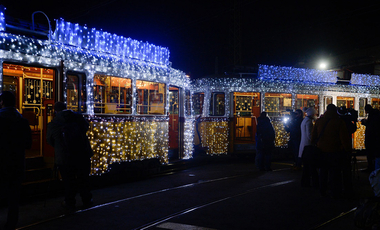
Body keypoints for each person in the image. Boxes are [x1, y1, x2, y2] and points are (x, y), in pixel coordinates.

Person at [47, 102, 93, 211]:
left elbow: (49, 140)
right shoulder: (78, 118)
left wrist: (60, 148)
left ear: (56, 111)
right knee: (83, 179)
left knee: (68, 181)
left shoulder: (54, 124)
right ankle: (86, 200)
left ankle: (70, 202)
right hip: (82, 154)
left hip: (65, 157)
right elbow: (86, 127)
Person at [0, 91, 32, 230]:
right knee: (14, 196)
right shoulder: (23, 121)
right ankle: (11, 223)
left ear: (2, 102)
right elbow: (28, 144)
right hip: (17, 162)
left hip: (1, 162)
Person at [311, 104, 351, 198]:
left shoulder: (319, 121)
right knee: (335, 173)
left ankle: (322, 190)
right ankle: (335, 192)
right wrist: (347, 150)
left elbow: (313, 136)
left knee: (323, 172)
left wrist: (317, 144)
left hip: (321, 151)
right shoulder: (339, 122)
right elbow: (344, 138)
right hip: (335, 151)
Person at [299, 107, 318, 188]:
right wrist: (315, 141)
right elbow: (309, 135)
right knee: (311, 167)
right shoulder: (309, 122)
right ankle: (314, 183)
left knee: (306, 167)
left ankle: (305, 183)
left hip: (304, 145)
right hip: (308, 147)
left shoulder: (304, 120)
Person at [361, 104, 380, 172]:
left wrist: (365, 123)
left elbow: (371, 126)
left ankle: (371, 167)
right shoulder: (376, 114)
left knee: (370, 154)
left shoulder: (372, 115)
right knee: (375, 155)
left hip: (371, 138)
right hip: (376, 138)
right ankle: (374, 167)